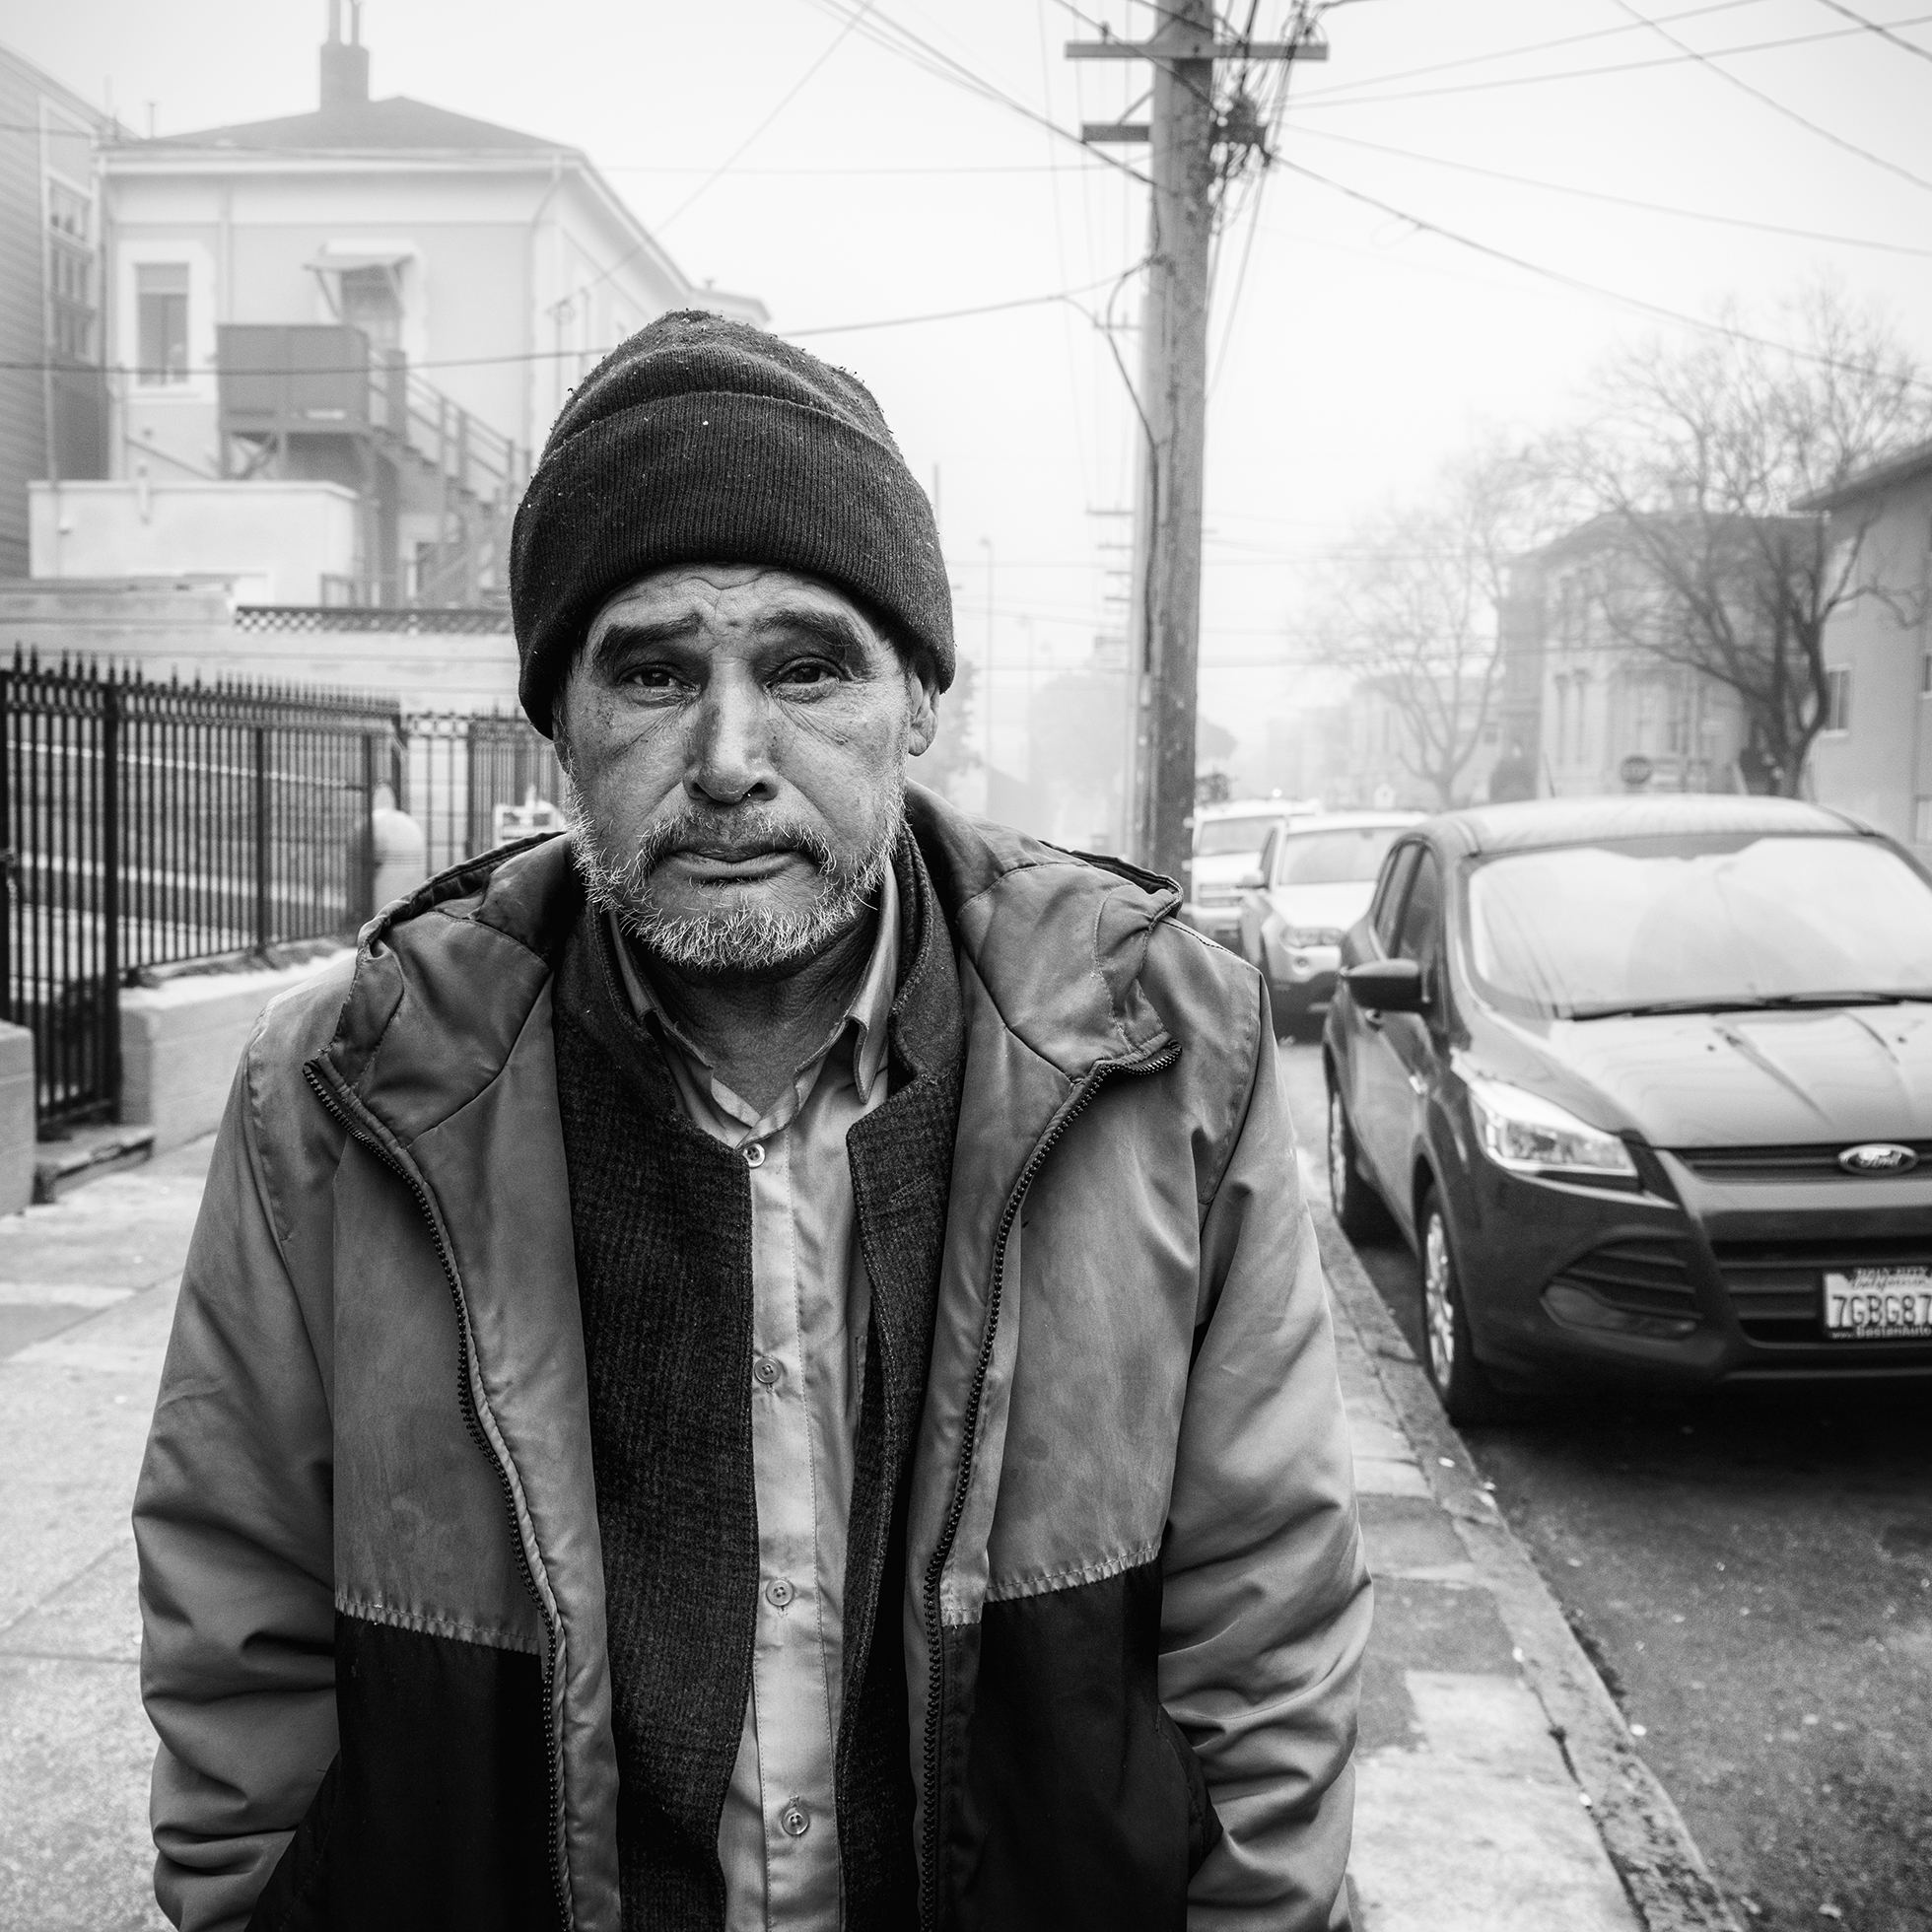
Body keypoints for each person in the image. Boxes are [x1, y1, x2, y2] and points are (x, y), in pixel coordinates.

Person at [133, 312, 1370, 1932]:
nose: (729, 760)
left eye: (806, 668)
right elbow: (237, 1631)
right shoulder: (345, 1096)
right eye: (652, 671)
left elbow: (1266, 1625)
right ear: (556, 723)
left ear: (915, 699)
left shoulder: (1166, 1058)